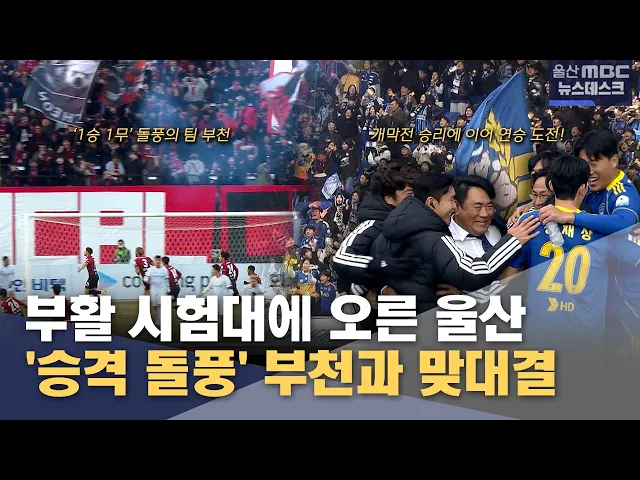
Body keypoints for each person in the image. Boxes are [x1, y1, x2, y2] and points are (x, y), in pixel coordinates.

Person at [501, 154, 640, 345]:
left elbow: (507, 278)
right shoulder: (602, 229)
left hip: (538, 334)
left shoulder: (528, 222)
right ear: (583, 188)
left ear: (551, 186)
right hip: (585, 337)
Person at [370, 172, 541, 314]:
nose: (484, 214)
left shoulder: (500, 225)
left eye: (489, 206)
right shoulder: (437, 238)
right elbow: (475, 272)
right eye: (477, 206)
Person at [536, 129, 640, 355]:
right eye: (585, 165)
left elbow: (624, 223)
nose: (589, 172)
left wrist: (571, 217)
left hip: (626, 298)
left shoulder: (623, 192)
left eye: (594, 164)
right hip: (597, 294)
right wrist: (531, 207)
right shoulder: (593, 187)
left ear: (614, 161)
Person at [333, 164, 419, 301]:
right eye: (409, 194)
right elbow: (341, 258)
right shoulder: (373, 224)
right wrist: (382, 264)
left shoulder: (414, 222)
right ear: (389, 198)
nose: (415, 199)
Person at [145, 255, 170, 325]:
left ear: (161, 261)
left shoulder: (164, 270)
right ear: (154, 261)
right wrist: (148, 281)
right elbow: (145, 278)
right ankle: (157, 316)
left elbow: (166, 280)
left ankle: (159, 320)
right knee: (154, 305)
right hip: (153, 289)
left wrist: (167, 289)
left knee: (160, 304)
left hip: (162, 289)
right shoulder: (150, 269)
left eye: (159, 260)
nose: (158, 262)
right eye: (156, 260)